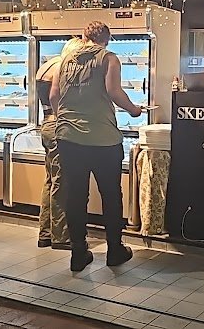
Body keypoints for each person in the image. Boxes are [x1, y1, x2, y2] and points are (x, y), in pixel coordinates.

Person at [50, 21, 142, 272]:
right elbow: (114, 91)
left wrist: (64, 119)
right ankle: (115, 250)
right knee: (111, 194)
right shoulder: (109, 58)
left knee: (75, 195)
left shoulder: (63, 61)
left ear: (83, 37)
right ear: (107, 39)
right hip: (103, 139)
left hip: (68, 138)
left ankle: (78, 253)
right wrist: (134, 110)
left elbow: (54, 95)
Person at [36, 37, 84, 250]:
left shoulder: (47, 65)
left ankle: (45, 233)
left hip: (46, 125)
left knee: (50, 180)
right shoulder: (63, 68)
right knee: (61, 183)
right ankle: (61, 236)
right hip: (58, 126)